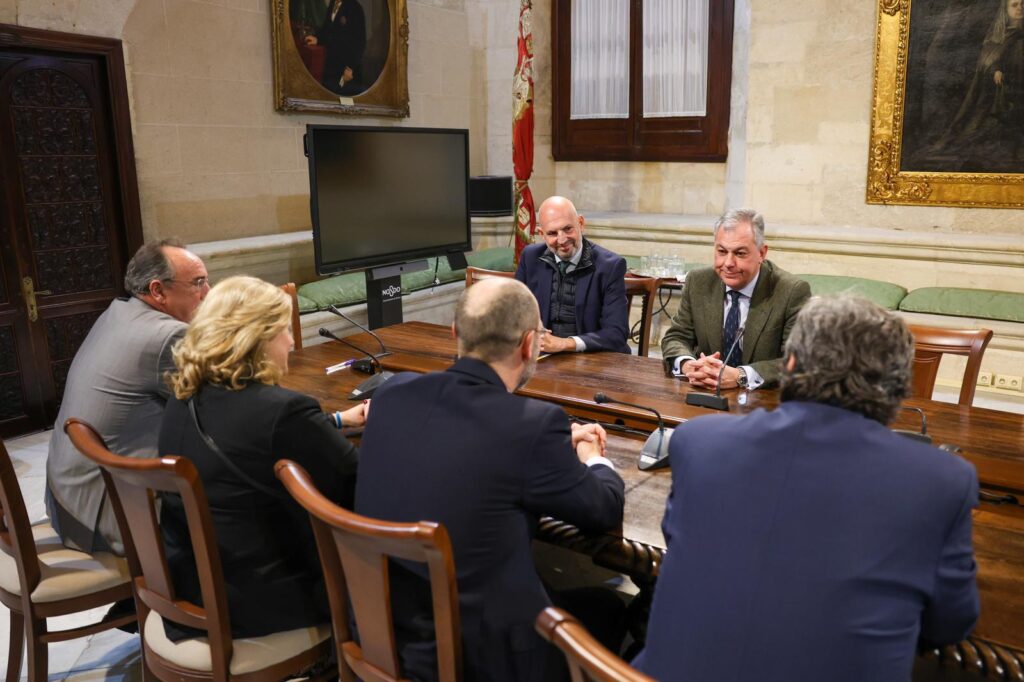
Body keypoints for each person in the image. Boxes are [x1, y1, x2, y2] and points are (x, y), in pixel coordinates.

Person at [637, 295, 980, 682]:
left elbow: (680, 542)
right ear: (898, 387)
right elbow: (950, 623)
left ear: (793, 364)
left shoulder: (698, 441)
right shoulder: (943, 481)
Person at [355, 277, 625, 681]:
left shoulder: (392, 396)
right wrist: (591, 458)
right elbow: (603, 511)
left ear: (455, 334)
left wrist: (545, 450)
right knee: (613, 607)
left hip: (382, 635)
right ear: (530, 343)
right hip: (482, 660)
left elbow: (459, 442)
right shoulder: (532, 426)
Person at [158, 276, 365, 640]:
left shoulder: (183, 395)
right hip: (261, 600)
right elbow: (358, 487)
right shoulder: (283, 412)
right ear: (257, 339)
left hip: (191, 585)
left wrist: (329, 423)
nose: (292, 340)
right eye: (285, 329)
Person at [46, 238, 209, 554]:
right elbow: (217, 410)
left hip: (69, 500)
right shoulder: (167, 334)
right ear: (158, 291)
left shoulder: (118, 311)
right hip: (114, 515)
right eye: (198, 283)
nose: (208, 293)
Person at [661, 208, 811, 390]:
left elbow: (799, 359)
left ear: (761, 253)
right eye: (722, 251)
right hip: (704, 392)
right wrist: (689, 365)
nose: (729, 263)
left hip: (763, 402)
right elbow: (676, 337)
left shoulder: (791, 291)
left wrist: (741, 375)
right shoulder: (698, 281)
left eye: (740, 254)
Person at [515, 196, 630, 354]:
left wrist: (565, 344)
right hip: (543, 358)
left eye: (568, 229)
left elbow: (616, 333)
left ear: (581, 224)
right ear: (542, 234)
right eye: (552, 233)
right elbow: (514, 314)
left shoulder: (610, 266)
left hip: (594, 359)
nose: (562, 240)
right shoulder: (530, 258)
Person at [305, 0, 367, 96]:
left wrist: (350, 68)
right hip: (332, 64)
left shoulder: (355, 8)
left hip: (347, 69)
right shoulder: (333, 4)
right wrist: (317, 39)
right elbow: (328, 29)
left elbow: (359, 42)